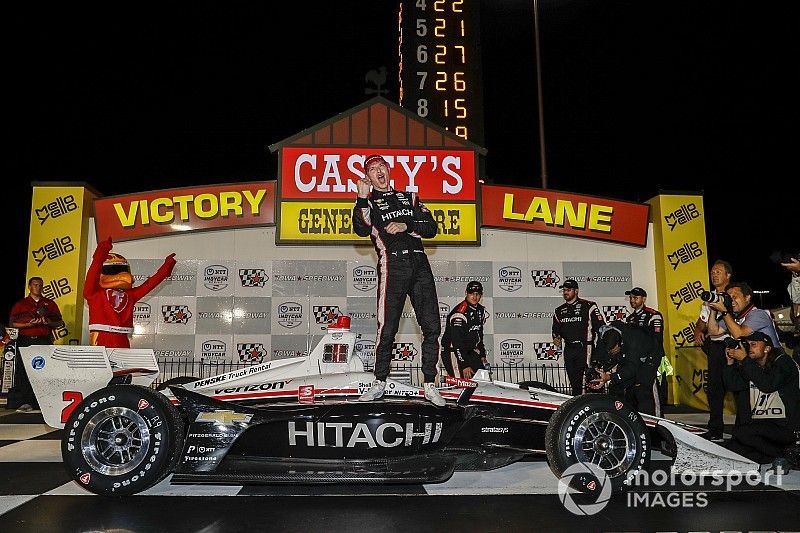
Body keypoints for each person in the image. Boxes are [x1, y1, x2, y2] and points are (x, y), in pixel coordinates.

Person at [352, 154, 444, 406]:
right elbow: (360, 229)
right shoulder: (368, 202)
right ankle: (379, 382)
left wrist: (406, 224)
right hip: (393, 265)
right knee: (387, 328)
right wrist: (361, 197)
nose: (378, 171)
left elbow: (431, 227)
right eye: (372, 169)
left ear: (389, 170)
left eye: (382, 166)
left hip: (420, 264)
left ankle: (430, 385)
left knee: (432, 327)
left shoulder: (410, 197)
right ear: (368, 177)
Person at [723, 331, 800, 473]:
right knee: (733, 450)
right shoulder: (753, 366)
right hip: (762, 425)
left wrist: (745, 360)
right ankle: (778, 454)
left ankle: (787, 454)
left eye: (754, 344)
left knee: (742, 432)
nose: (749, 348)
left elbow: (768, 385)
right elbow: (733, 385)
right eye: (748, 345)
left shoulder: (783, 362)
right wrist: (730, 362)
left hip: (784, 426)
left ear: (767, 349)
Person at [84, 237, 176, 348]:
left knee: (125, 365)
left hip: (122, 337)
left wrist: (165, 269)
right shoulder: (94, 293)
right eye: (112, 271)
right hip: (101, 336)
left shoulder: (130, 295)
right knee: (100, 365)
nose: (123, 275)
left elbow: (149, 285)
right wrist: (100, 254)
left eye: (124, 270)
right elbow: (92, 275)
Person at [7, 276, 65, 412]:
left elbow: (59, 322)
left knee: (44, 371)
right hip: (25, 340)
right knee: (24, 371)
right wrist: (29, 324)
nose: (38, 287)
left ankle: (43, 402)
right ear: (29, 286)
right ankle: (25, 402)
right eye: (35, 285)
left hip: (43, 340)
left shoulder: (49, 304)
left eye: (40, 285)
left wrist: (48, 323)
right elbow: (12, 324)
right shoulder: (21, 304)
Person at [693, 260, 733, 442]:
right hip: (715, 347)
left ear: (728, 275)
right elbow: (702, 320)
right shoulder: (709, 297)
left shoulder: (734, 294)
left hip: (733, 345)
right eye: (712, 272)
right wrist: (697, 330)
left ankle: (744, 429)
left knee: (737, 387)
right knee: (715, 390)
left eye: (718, 272)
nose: (714, 275)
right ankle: (715, 429)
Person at [588, 320, 664, 416]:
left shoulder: (633, 340)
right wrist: (600, 374)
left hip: (650, 357)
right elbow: (602, 358)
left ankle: (655, 424)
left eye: (614, 350)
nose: (612, 353)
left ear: (621, 343)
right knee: (616, 387)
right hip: (629, 357)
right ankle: (622, 417)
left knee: (642, 390)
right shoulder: (604, 337)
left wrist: (610, 377)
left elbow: (631, 368)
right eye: (610, 351)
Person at [552, 279, 606, 396]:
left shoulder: (589, 306)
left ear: (576, 291)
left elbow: (601, 328)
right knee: (574, 382)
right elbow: (556, 331)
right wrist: (556, 338)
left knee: (585, 380)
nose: (565, 292)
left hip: (585, 347)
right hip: (569, 349)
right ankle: (577, 403)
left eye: (569, 290)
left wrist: (601, 352)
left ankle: (584, 405)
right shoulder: (559, 311)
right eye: (564, 290)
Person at [624, 286, 668, 405]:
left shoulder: (653, 315)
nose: (632, 300)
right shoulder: (630, 318)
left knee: (654, 394)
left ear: (644, 299)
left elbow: (657, 341)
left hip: (653, 361)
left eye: (636, 297)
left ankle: (658, 422)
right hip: (637, 362)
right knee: (639, 394)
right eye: (631, 297)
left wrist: (651, 360)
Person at [440, 281, 488, 379]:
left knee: (482, 380)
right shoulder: (459, 313)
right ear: (466, 293)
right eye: (471, 294)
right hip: (453, 351)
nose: (475, 297)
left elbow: (479, 335)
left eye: (477, 294)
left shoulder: (480, 310)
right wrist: (464, 364)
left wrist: (482, 354)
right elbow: (456, 342)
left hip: (470, 351)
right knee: (462, 383)